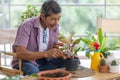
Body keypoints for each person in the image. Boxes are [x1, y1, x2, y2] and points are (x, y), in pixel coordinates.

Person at [12, 0, 65, 75]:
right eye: (52, 19)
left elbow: (53, 46)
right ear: (42, 16)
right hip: (26, 62)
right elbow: (20, 53)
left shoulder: (54, 27)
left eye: (58, 18)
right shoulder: (27, 26)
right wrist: (46, 53)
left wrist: (60, 51)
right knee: (33, 71)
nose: (56, 23)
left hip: (44, 61)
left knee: (71, 62)